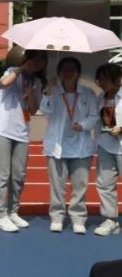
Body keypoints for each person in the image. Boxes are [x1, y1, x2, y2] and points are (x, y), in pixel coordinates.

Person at [0, 49, 47, 233]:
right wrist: (21, 68)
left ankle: (13, 211)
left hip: (21, 132)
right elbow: (3, 84)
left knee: (18, 176)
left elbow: (34, 110)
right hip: (2, 130)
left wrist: (30, 95)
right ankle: (0, 215)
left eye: (42, 60)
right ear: (26, 59)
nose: (38, 63)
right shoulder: (12, 71)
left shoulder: (37, 82)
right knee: (2, 175)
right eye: (35, 59)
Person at [40, 57, 98, 234]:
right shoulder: (53, 91)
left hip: (81, 147)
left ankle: (78, 218)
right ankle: (57, 217)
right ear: (59, 72)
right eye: (64, 69)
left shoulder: (88, 93)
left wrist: (83, 125)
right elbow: (45, 111)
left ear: (78, 72)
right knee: (57, 186)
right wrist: (48, 92)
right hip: (57, 146)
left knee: (80, 185)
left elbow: (94, 116)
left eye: (72, 69)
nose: (68, 72)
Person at [94, 63, 122, 236]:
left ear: (117, 79)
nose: (102, 82)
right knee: (104, 184)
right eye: (99, 79)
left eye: (105, 79)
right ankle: (111, 219)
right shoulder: (100, 98)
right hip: (105, 145)